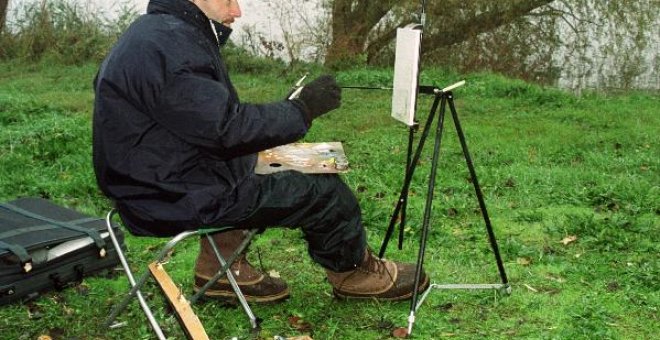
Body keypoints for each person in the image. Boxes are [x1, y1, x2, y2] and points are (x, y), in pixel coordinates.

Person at [93, 0, 429, 303]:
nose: (236, 10)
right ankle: (353, 274)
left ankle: (218, 268)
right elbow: (227, 129)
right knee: (322, 187)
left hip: (165, 180)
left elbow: (208, 122)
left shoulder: (159, 33)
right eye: (228, 0)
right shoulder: (171, 46)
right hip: (171, 195)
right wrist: (302, 110)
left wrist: (289, 111)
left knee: (272, 161)